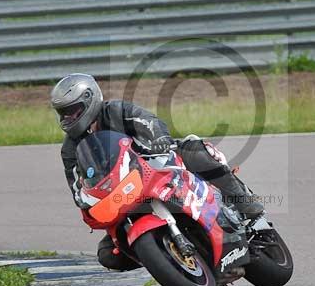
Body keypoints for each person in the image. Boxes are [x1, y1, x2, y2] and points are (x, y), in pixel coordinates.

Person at [51, 73, 263, 271]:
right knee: (108, 254)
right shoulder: (70, 149)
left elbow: (148, 121)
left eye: (73, 110)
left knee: (196, 152)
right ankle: (165, 258)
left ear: (89, 99)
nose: (68, 117)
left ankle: (249, 209)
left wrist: (159, 138)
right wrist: (85, 199)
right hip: (123, 195)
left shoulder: (116, 111)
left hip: (156, 165)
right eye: (64, 113)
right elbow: (76, 186)